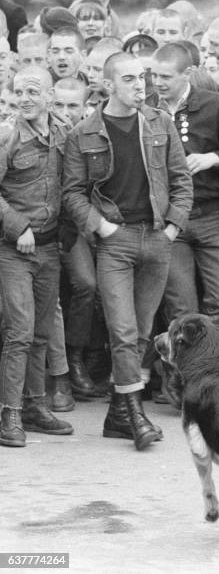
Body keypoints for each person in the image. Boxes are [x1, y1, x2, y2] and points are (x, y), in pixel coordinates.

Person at [63, 52, 193, 450]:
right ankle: (135, 417)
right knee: (122, 332)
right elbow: (72, 193)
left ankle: (116, 414)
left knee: (139, 332)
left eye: (144, 78)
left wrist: (172, 228)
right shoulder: (83, 133)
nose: (142, 85)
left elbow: (181, 179)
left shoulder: (161, 123)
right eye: (131, 79)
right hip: (115, 242)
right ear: (110, 85)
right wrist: (100, 226)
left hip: (156, 237)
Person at [0, 66, 74, 447]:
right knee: (19, 333)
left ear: (49, 96)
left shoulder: (64, 134)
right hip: (13, 249)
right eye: (18, 92)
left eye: (32, 92)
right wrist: (17, 227)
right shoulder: (7, 135)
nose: (24, 99)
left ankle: (34, 404)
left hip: (50, 247)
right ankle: (9, 413)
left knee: (43, 333)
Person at [148, 42, 219, 323]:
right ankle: (187, 367)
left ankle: (214, 365)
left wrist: (212, 158)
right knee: (181, 309)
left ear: (187, 73)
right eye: (154, 76)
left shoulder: (215, 105)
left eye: (166, 77)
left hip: (212, 216)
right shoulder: (146, 109)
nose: (158, 83)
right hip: (170, 218)